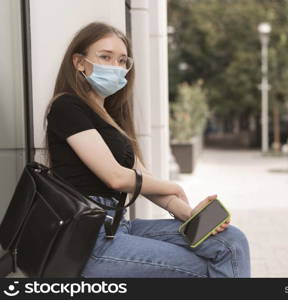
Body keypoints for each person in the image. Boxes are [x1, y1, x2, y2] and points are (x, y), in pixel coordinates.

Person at [42, 22, 251, 278]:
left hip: (119, 227)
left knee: (231, 241)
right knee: (201, 266)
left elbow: (143, 179)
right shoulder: (67, 107)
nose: (115, 67)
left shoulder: (112, 119)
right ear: (79, 62)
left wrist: (188, 212)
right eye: (105, 57)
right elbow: (117, 178)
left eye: (122, 61)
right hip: (88, 240)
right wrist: (173, 187)